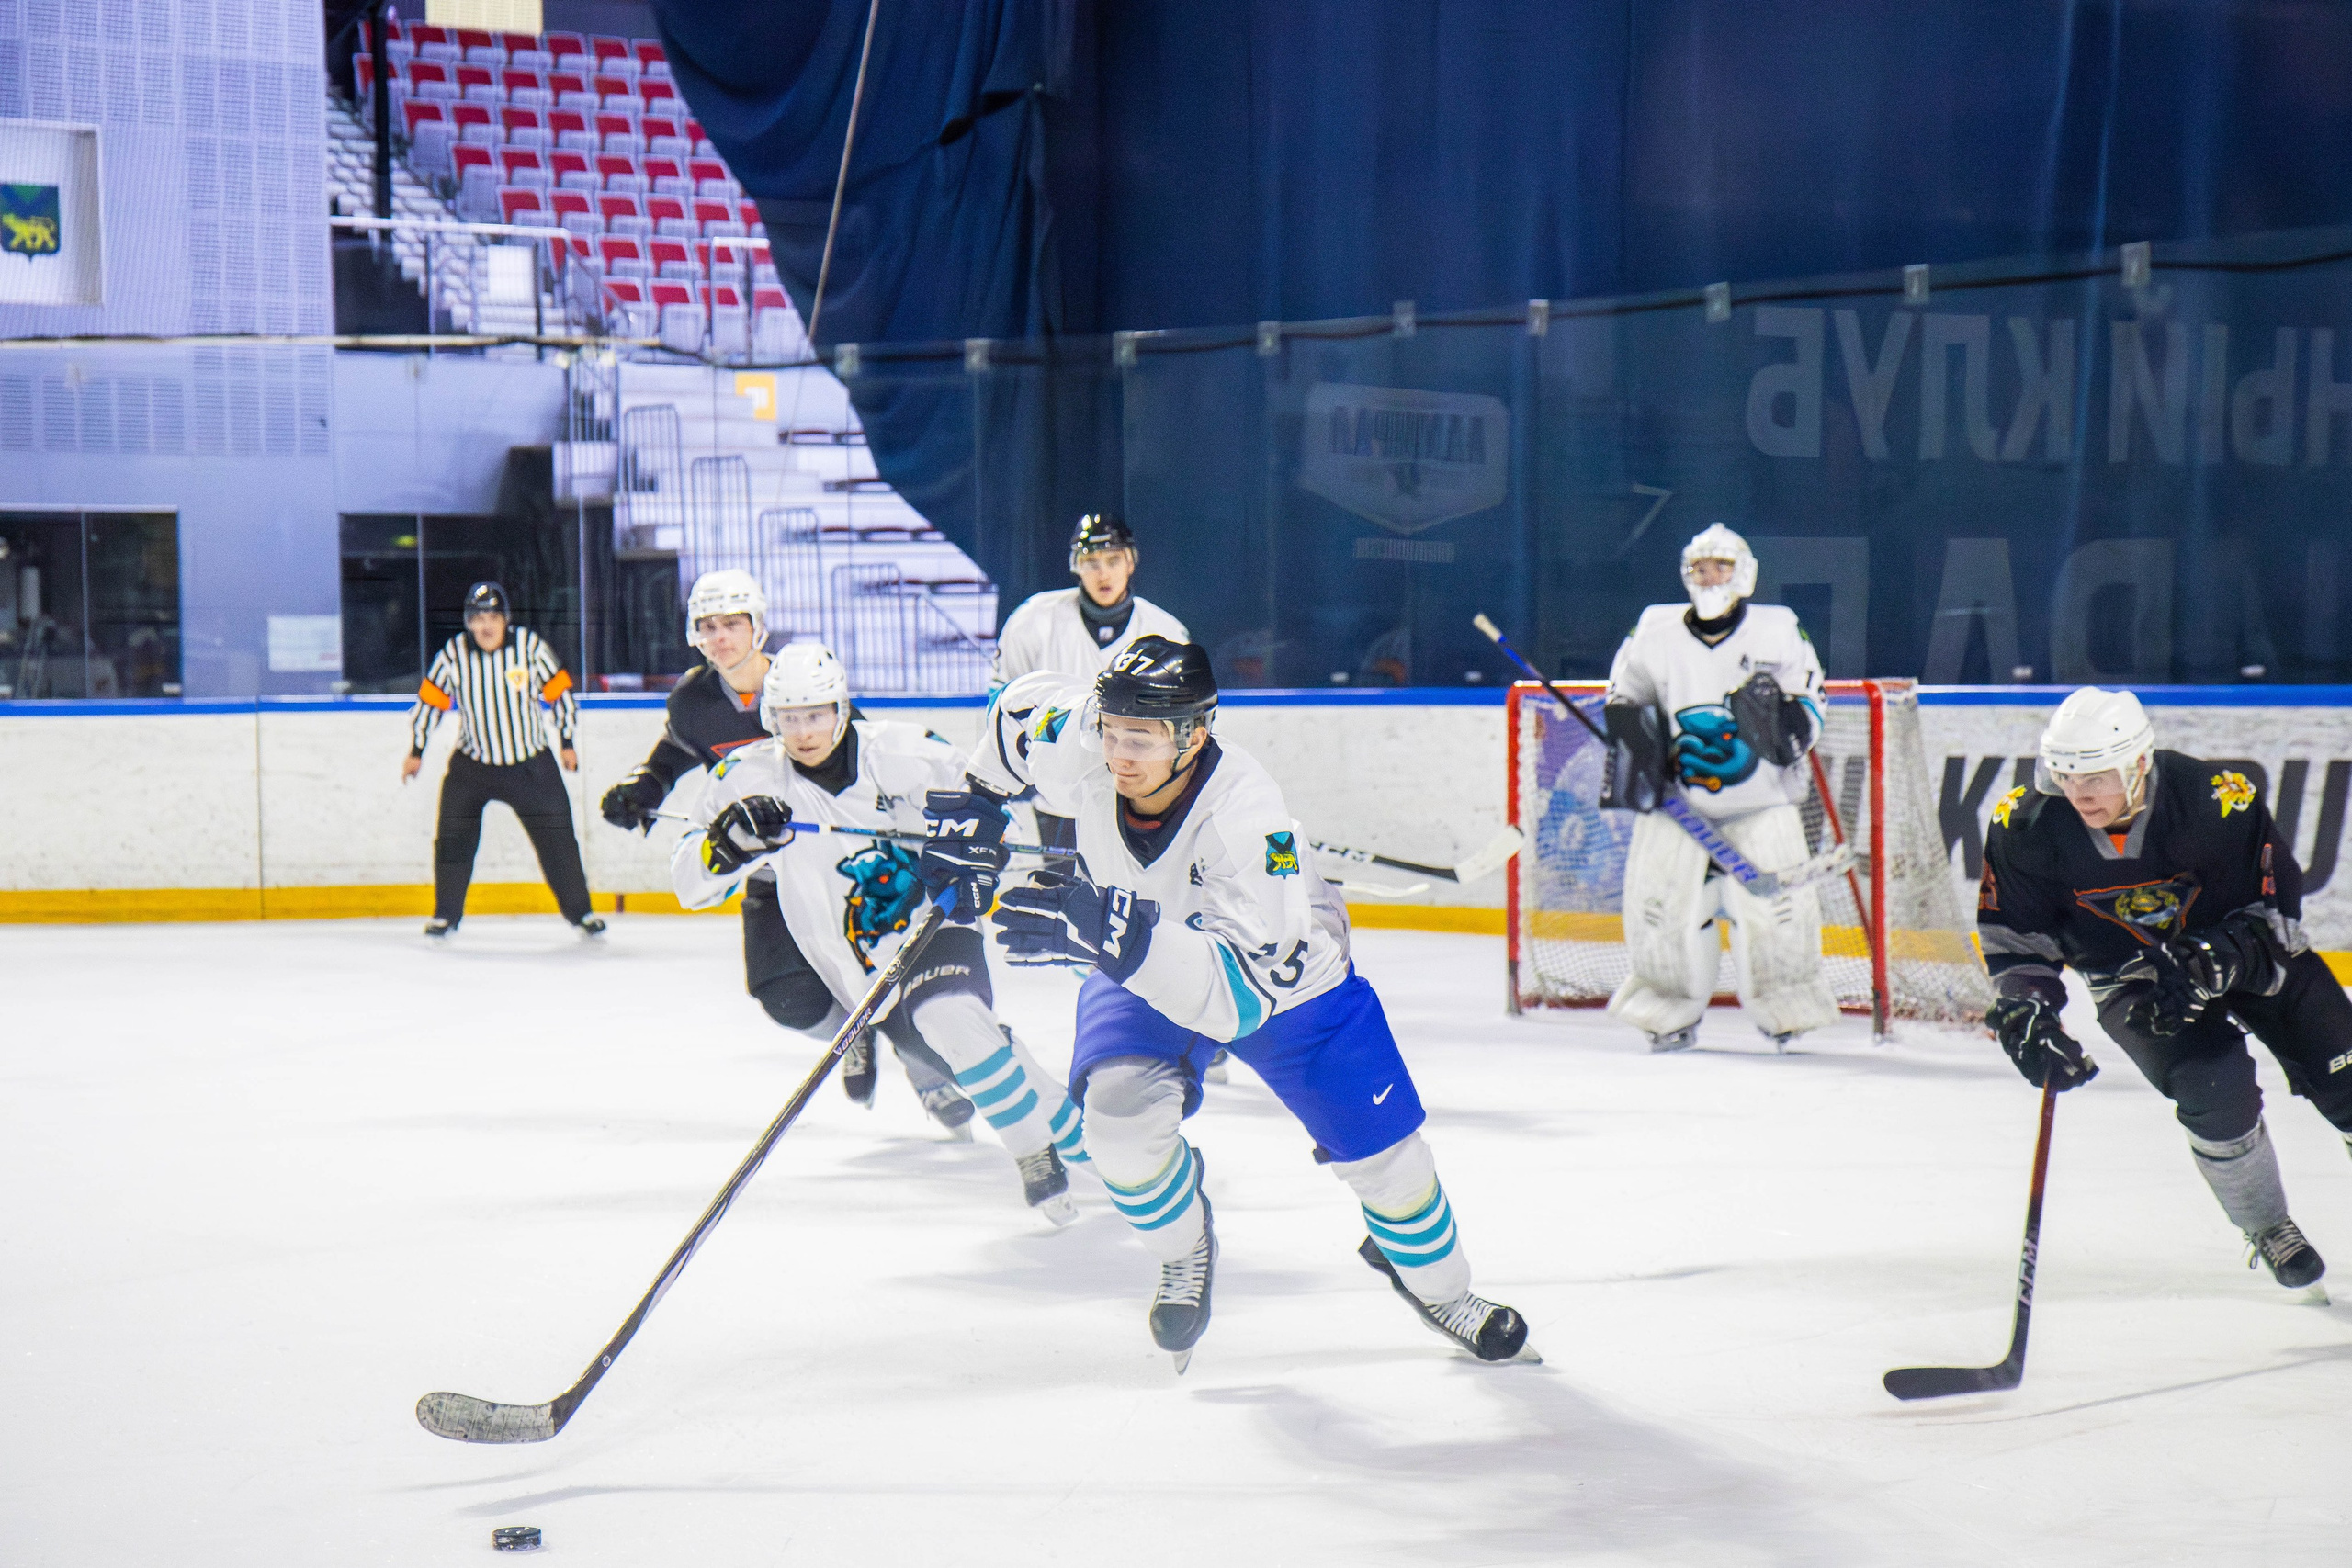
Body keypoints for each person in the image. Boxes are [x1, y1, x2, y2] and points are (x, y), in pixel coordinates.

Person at [923, 637, 1534, 1371]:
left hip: (1281, 981)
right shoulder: (1088, 731)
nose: (1119, 754)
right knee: (1117, 1129)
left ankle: (1442, 1290)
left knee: (1393, 1167)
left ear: (1195, 734)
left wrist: (1116, 936)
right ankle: (1185, 1250)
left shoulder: (1251, 822)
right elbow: (1015, 718)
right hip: (1139, 953)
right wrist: (979, 805)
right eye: (1111, 731)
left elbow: (1240, 999)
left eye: (1140, 739)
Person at [669, 639, 1090, 1223]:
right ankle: (1083, 1139)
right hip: (859, 969)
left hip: (935, 921)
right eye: (790, 718)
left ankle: (1034, 1153)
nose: (805, 731)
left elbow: (1001, 818)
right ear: (771, 719)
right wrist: (727, 845)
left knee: (952, 1017)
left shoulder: (906, 751)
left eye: (816, 714)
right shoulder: (744, 779)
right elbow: (689, 883)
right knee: (967, 1053)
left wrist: (973, 854)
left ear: (842, 708)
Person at [1980, 686, 2348, 1291]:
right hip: (2134, 978)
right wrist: (2026, 1009)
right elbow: (2019, 940)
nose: (2080, 793)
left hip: (2244, 956)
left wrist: (2218, 956)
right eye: (2067, 775)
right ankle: (2269, 1225)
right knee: (2215, 1090)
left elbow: (2276, 912)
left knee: (2345, 1069)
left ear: (2140, 762)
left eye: (2096, 775)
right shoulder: (2025, 824)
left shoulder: (2214, 801)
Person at [598, 571, 974, 1124]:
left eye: (733, 623)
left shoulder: (806, 681)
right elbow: (678, 749)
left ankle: (923, 1067)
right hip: (771, 868)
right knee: (784, 996)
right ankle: (858, 1032)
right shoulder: (694, 700)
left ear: (759, 626)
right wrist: (644, 786)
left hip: (844, 869)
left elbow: (865, 761)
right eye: (708, 626)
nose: (721, 637)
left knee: (897, 992)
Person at [1598, 523, 1836, 1052]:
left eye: (1721, 567)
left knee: (1779, 913)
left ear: (1744, 573)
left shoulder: (1779, 629)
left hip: (1763, 801)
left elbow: (1813, 698)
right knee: (1658, 910)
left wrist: (1787, 727)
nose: (1711, 577)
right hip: (1678, 805)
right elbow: (1623, 696)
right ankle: (1665, 1011)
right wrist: (1637, 740)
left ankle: (1787, 1007)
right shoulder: (1655, 630)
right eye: (1701, 568)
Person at [402, 581, 603, 940]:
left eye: (493, 616)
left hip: (530, 765)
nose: (486, 625)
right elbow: (430, 703)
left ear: (506, 620)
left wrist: (567, 742)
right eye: (478, 618)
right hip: (472, 766)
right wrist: (417, 751)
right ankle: (445, 915)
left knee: (558, 840)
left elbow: (560, 694)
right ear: (468, 623)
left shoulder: (529, 647)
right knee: (452, 840)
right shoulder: (454, 654)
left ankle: (582, 913)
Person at [991, 513, 1190, 852]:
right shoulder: (1032, 620)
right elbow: (1002, 700)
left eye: (1113, 560)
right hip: (1057, 790)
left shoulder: (1167, 633)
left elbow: (1185, 724)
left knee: (1133, 897)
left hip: (1138, 795)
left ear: (1131, 562)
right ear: (1076, 566)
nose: (1103, 573)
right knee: (1059, 895)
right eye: (1091, 561)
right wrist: (1015, 772)